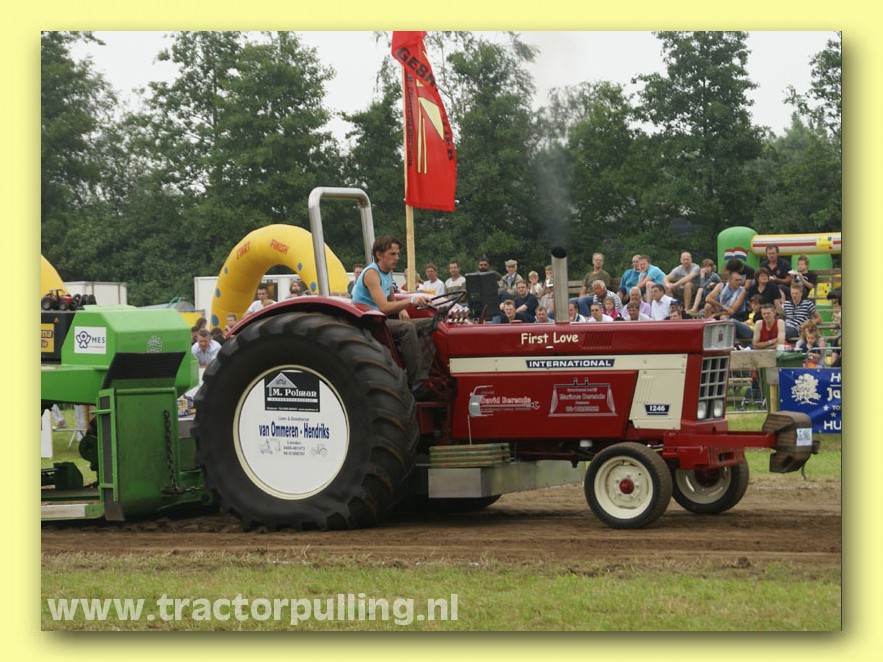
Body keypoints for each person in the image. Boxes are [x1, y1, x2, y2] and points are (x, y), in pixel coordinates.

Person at [350, 236, 433, 393]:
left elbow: (392, 300)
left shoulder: (388, 272)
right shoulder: (372, 274)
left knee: (432, 323)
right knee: (407, 328)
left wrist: (401, 309)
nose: (397, 258)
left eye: (398, 254)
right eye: (392, 254)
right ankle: (416, 382)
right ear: (379, 255)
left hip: (381, 318)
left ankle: (425, 372)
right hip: (370, 321)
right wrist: (411, 301)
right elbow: (384, 307)